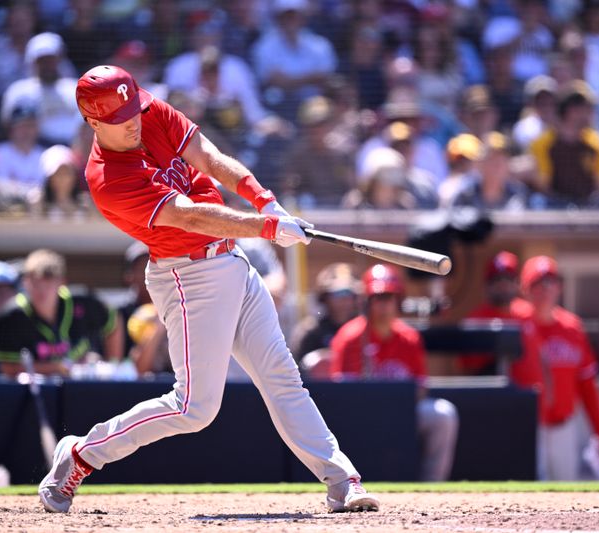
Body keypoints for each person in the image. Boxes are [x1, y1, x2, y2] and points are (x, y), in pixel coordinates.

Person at [37, 65, 378, 514]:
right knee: (193, 408)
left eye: (134, 107)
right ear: (94, 124)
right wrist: (267, 227)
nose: (135, 119)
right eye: (121, 118)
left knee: (282, 377)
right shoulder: (108, 180)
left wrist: (263, 198)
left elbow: (207, 156)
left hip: (230, 259)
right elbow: (191, 216)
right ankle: (81, 454)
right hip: (187, 276)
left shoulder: (148, 110)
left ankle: (342, 481)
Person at [330, 264, 459, 482]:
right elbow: (341, 395)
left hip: (402, 412)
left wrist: (397, 402)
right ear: (367, 302)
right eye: (378, 298)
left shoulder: (409, 338)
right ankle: (345, 482)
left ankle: (432, 485)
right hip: (362, 416)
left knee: (442, 414)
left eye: (389, 297)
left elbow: (421, 388)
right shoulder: (350, 337)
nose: (384, 305)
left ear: (397, 301)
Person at [514, 256, 599, 480]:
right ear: (525, 289)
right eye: (538, 284)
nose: (545, 290)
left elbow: (587, 386)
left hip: (563, 425)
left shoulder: (572, 327)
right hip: (528, 426)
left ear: (560, 286)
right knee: (530, 492)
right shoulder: (515, 324)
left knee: (566, 491)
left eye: (551, 282)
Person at [0, 249, 123, 377]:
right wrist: (59, 368)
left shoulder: (83, 303)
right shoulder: (11, 315)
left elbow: (113, 321)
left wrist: (112, 365)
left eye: (48, 281)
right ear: (25, 282)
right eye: (35, 282)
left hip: (82, 386)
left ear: (62, 282)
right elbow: (8, 367)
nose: (42, 290)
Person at [457, 251, 532, 376]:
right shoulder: (475, 322)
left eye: (508, 278)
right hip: (493, 393)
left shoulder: (529, 314)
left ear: (517, 282)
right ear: (487, 284)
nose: (504, 284)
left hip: (530, 391)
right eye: (497, 279)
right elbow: (468, 370)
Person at [1, 32, 81, 146]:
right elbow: (8, 126)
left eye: (51, 59)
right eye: (42, 60)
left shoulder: (76, 88)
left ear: (59, 60)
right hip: (36, 150)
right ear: (32, 62)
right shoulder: (18, 92)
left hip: (74, 149)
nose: (47, 65)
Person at [290, 263, 362, 376]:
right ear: (324, 298)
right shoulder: (309, 332)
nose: (344, 299)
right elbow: (296, 371)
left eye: (348, 293)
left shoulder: (364, 330)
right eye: (338, 293)